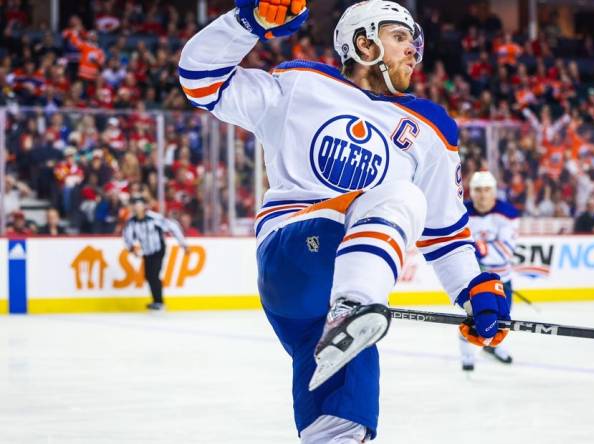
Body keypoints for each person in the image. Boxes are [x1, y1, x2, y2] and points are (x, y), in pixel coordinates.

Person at [179, 0, 511, 441]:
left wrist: (474, 293)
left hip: (338, 305)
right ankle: (352, 305)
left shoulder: (431, 128)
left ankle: (349, 314)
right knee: (399, 196)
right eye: (399, 37)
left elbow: (446, 235)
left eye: (415, 42)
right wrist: (248, 22)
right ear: (363, 42)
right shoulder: (300, 83)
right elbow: (199, 79)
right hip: (294, 251)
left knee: (340, 428)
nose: (413, 50)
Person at [460, 171, 517, 371]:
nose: (482, 195)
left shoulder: (507, 213)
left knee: (502, 318)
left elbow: (506, 251)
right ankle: (467, 356)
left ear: (493, 192)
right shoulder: (461, 212)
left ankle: (494, 347)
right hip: (473, 278)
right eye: (478, 190)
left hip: (502, 279)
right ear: (471, 192)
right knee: (470, 315)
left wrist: (478, 248)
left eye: (486, 190)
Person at [121, 196, 189, 310]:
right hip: (147, 251)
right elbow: (127, 236)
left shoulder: (154, 218)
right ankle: (156, 300)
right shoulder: (131, 221)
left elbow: (172, 226)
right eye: (135, 205)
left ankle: (159, 302)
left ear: (144, 207)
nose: (137, 208)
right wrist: (132, 248)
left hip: (158, 249)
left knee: (154, 275)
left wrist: (183, 244)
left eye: (139, 205)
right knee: (148, 276)